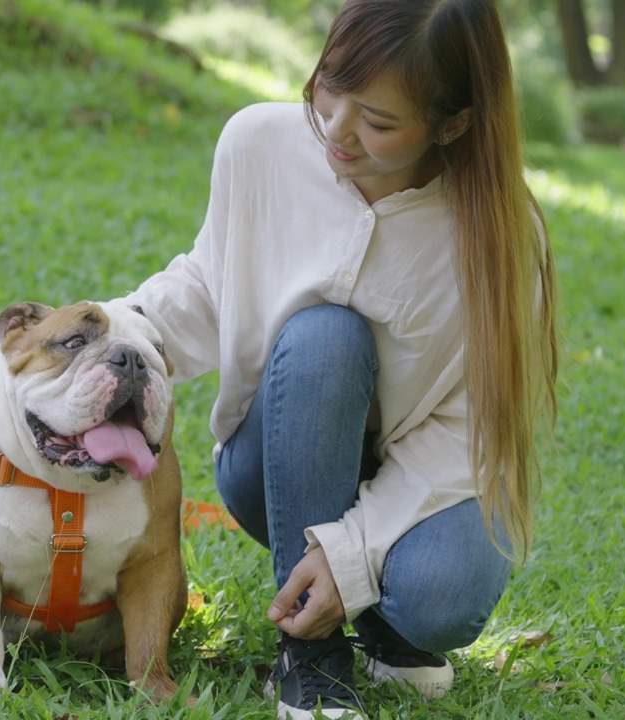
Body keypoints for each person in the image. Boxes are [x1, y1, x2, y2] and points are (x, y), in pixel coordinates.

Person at [115, 0, 560, 716]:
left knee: (443, 595)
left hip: (424, 476)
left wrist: (352, 553)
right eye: (329, 84)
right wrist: (105, 340)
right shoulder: (258, 143)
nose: (337, 126)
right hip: (278, 459)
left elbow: (471, 427)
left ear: (454, 123)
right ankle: (311, 654)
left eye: (380, 122)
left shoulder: (502, 235)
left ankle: (384, 623)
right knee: (326, 337)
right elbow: (207, 283)